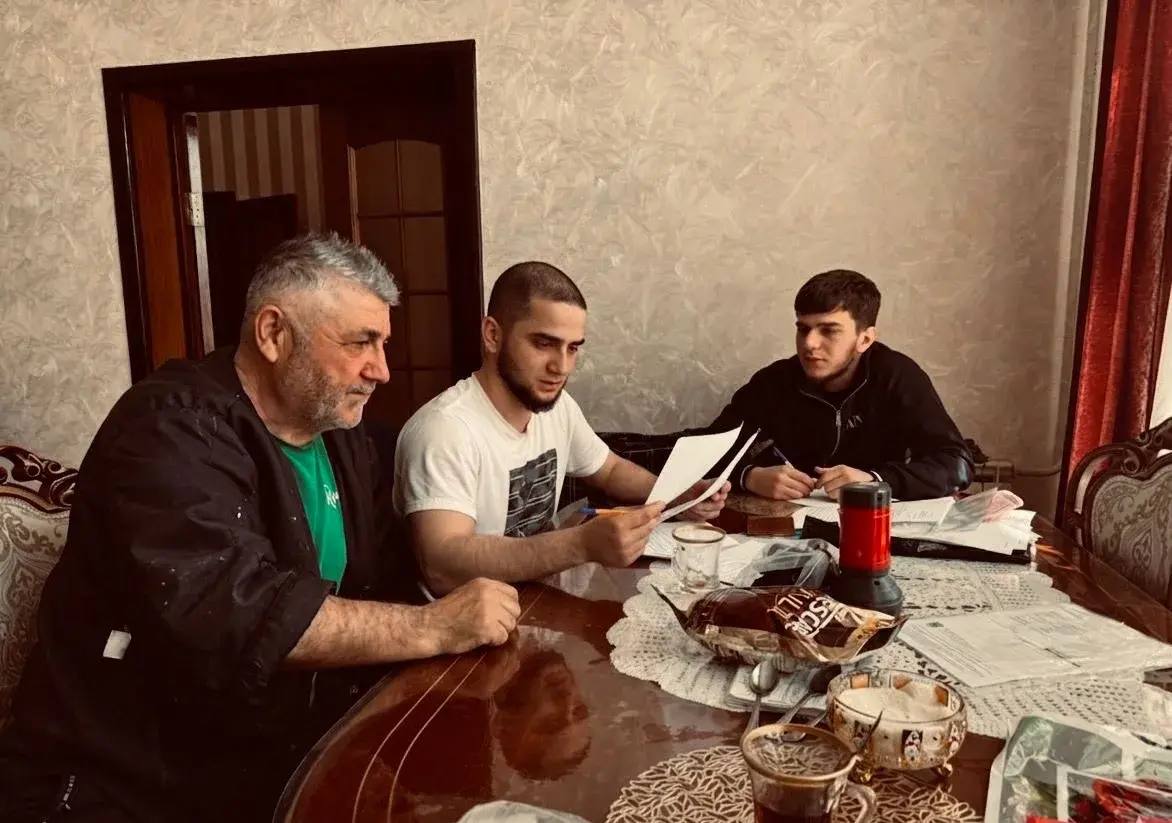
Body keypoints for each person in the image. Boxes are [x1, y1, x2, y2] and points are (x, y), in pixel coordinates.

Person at [0, 234, 520, 823]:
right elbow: (234, 611)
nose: (381, 370)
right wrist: (433, 627)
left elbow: (383, 577)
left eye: (383, 344)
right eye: (360, 343)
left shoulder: (341, 432)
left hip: (266, 756)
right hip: (122, 778)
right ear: (274, 333)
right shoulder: (167, 429)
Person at [394, 261, 729, 596]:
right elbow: (441, 565)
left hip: (538, 597)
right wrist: (579, 544)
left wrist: (677, 493)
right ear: (493, 335)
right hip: (467, 621)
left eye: (573, 348)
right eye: (543, 344)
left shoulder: (558, 407)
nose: (562, 367)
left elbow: (609, 469)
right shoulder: (444, 430)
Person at [711, 269, 972, 501]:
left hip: (876, 524)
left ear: (865, 339)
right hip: (786, 528)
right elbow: (705, 450)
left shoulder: (896, 375)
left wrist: (874, 480)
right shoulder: (773, 381)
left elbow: (956, 464)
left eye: (829, 331)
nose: (809, 343)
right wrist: (748, 476)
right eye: (803, 329)